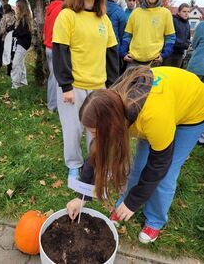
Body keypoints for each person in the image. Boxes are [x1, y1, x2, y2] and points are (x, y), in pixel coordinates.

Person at [67, 65, 204, 244]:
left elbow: (159, 164)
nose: (93, 137)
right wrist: (82, 196)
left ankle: (155, 220)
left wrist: (134, 202)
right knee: (138, 167)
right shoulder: (112, 104)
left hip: (192, 110)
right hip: (164, 105)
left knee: (166, 173)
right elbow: (97, 152)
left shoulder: (152, 118)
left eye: (95, 132)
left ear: (113, 124)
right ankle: (124, 205)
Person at [52, 0, 119, 179]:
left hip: (98, 87)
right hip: (73, 87)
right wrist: (65, 86)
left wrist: (112, 87)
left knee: (97, 132)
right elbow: (60, 51)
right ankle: (73, 164)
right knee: (73, 130)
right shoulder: (67, 16)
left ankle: (95, 165)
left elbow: (111, 55)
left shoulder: (104, 20)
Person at [119, 0, 175, 67]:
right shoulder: (135, 13)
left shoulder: (166, 13)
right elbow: (127, 35)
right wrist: (123, 52)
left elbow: (170, 38)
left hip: (154, 63)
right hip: (133, 62)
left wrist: (164, 55)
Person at [43, 0, 69, 112]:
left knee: (52, 76)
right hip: (56, 47)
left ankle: (52, 104)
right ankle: (53, 106)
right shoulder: (63, 9)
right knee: (57, 77)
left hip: (48, 46)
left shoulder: (50, 8)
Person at [187, 21, 204, 146]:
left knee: (191, 100)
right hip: (198, 67)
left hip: (197, 67)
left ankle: (187, 126)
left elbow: (194, 43)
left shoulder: (201, 26)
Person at [11, 0, 32, 89]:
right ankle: (23, 81)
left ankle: (15, 84)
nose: (15, 8)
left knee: (16, 63)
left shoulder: (24, 19)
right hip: (22, 43)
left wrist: (14, 32)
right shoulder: (22, 18)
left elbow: (20, 32)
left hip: (23, 44)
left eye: (17, 6)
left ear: (21, 7)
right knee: (21, 63)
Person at [163, 3, 190, 67]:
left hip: (180, 54)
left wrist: (188, 44)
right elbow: (171, 37)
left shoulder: (187, 24)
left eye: (188, 12)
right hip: (170, 53)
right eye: (184, 11)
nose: (186, 13)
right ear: (179, 12)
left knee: (175, 74)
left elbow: (188, 38)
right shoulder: (173, 20)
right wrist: (184, 45)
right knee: (166, 73)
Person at [0, 4, 16, 74]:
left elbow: (2, 30)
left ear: (4, 9)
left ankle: (9, 70)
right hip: (14, 37)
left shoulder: (4, 17)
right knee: (13, 53)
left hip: (6, 38)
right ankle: (14, 68)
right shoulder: (15, 16)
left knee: (7, 53)